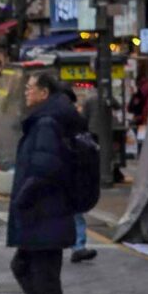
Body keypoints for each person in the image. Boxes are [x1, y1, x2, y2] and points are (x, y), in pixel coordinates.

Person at [8, 72, 85, 294]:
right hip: (47, 211)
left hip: (44, 211)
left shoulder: (47, 122)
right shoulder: (51, 118)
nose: (26, 93)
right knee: (27, 267)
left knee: (42, 274)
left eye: (30, 89)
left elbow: (45, 166)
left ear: (43, 92)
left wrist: (23, 198)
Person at [58, 83, 98, 264]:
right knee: (73, 211)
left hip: (65, 169)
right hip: (69, 169)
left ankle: (77, 246)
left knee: (71, 211)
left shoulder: (52, 115)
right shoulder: (71, 116)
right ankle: (77, 246)